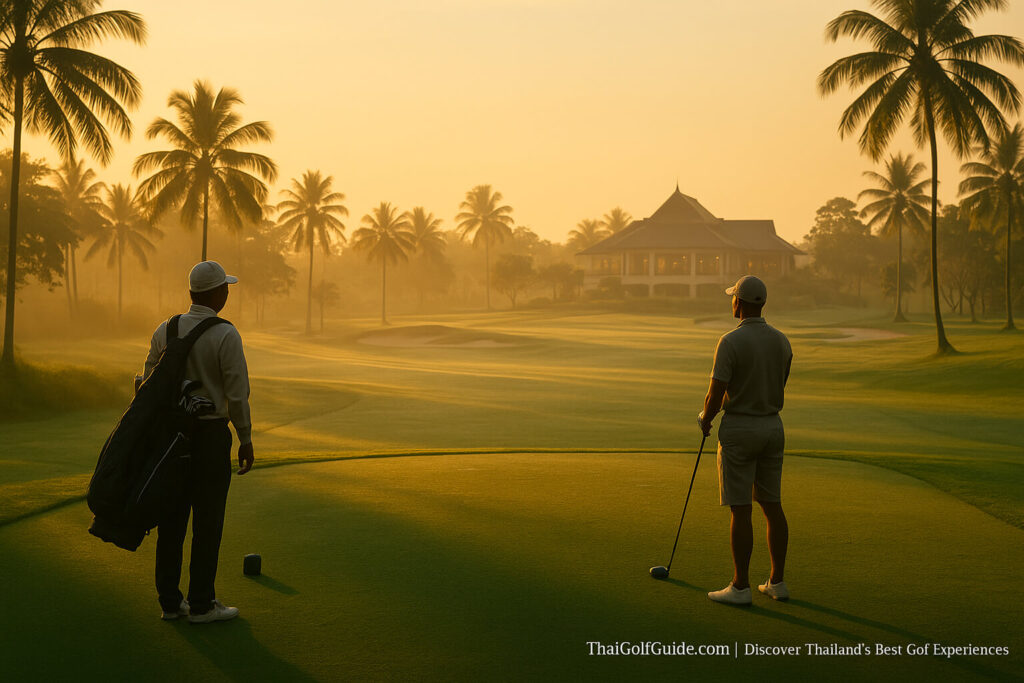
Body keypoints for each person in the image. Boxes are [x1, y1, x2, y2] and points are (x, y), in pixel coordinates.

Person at [143, 260, 255, 623]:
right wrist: (246, 439)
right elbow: (237, 395)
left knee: (171, 520)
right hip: (209, 436)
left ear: (192, 293)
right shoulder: (226, 333)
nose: (227, 292)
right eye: (225, 288)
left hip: (169, 440)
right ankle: (202, 604)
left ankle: (170, 603)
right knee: (208, 521)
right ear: (217, 293)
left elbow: (147, 383)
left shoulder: (165, 329)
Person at [697, 275, 792, 606]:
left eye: (732, 297)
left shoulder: (729, 341)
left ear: (738, 303)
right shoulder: (781, 341)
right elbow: (776, 383)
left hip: (740, 431)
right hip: (772, 427)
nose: (731, 301)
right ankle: (776, 582)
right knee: (771, 505)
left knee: (741, 509)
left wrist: (705, 419)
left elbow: (716, 393)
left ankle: (740, 587)